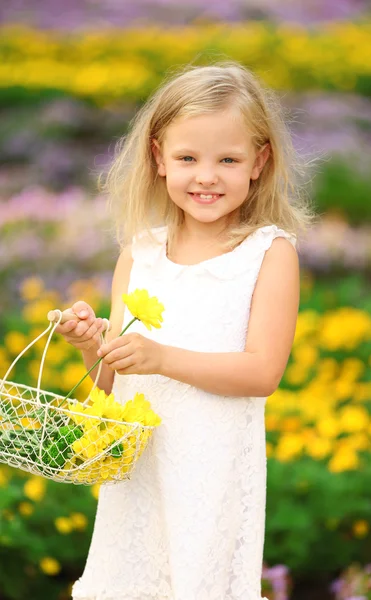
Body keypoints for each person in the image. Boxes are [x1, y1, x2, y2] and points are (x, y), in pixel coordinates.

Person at [57, 60, 316, 600]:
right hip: (140, 477)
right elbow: (113, 384)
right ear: (158, 158)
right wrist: (93, 348)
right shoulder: (140, 253)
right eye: (188, 158)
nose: (206, 176)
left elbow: (261, 372)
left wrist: (160, 357)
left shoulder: (268, 253)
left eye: (228, 159)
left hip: (210, 476)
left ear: (259, 162)